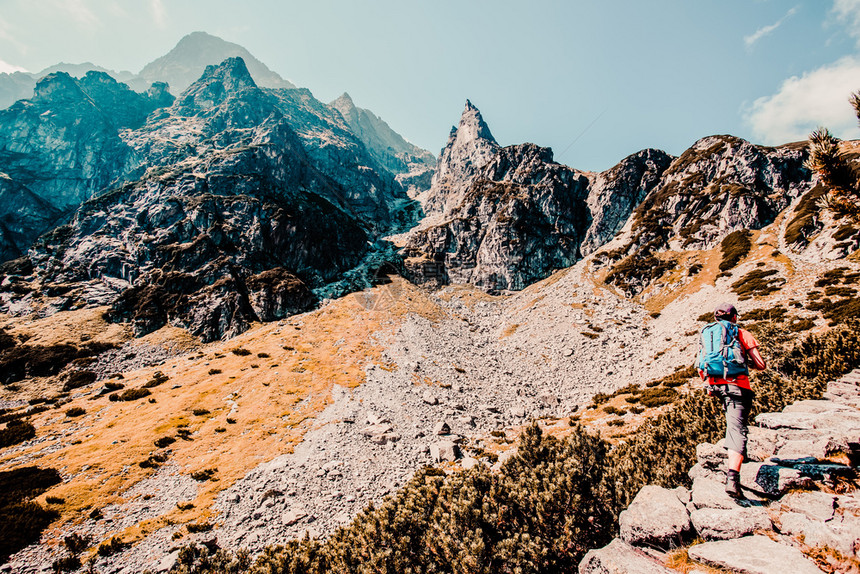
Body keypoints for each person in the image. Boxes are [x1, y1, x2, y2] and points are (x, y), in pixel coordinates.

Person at [697, 303, 767, 498]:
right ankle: (732, 479)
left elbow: (700, 366)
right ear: (734, 316)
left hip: (716, 386)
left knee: (732, 424)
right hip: (738, 387)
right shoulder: (741, 333)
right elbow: (761, 365)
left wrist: (710, 383)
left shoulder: (708, 334)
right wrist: (746, 363)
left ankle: (732, 460)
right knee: (737, 429)